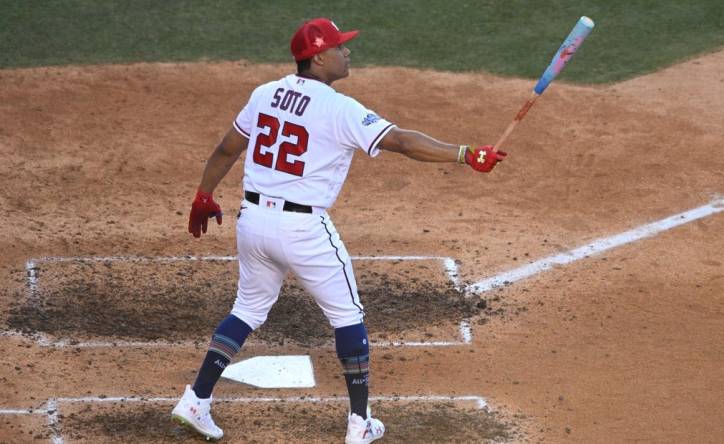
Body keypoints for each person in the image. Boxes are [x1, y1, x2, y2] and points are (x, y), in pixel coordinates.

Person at [171, 17, 506, 443]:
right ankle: (359, 424)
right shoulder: (339, 108)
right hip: (303, 230)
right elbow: (401, 141)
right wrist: (465, 154)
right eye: (340, 47)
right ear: (319, 57)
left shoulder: (264, 94)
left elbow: (226, 149)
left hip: (252, 222)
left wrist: (204, 195)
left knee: (248, 310)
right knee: (348, 317)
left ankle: (196, 401)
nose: (348, 52)